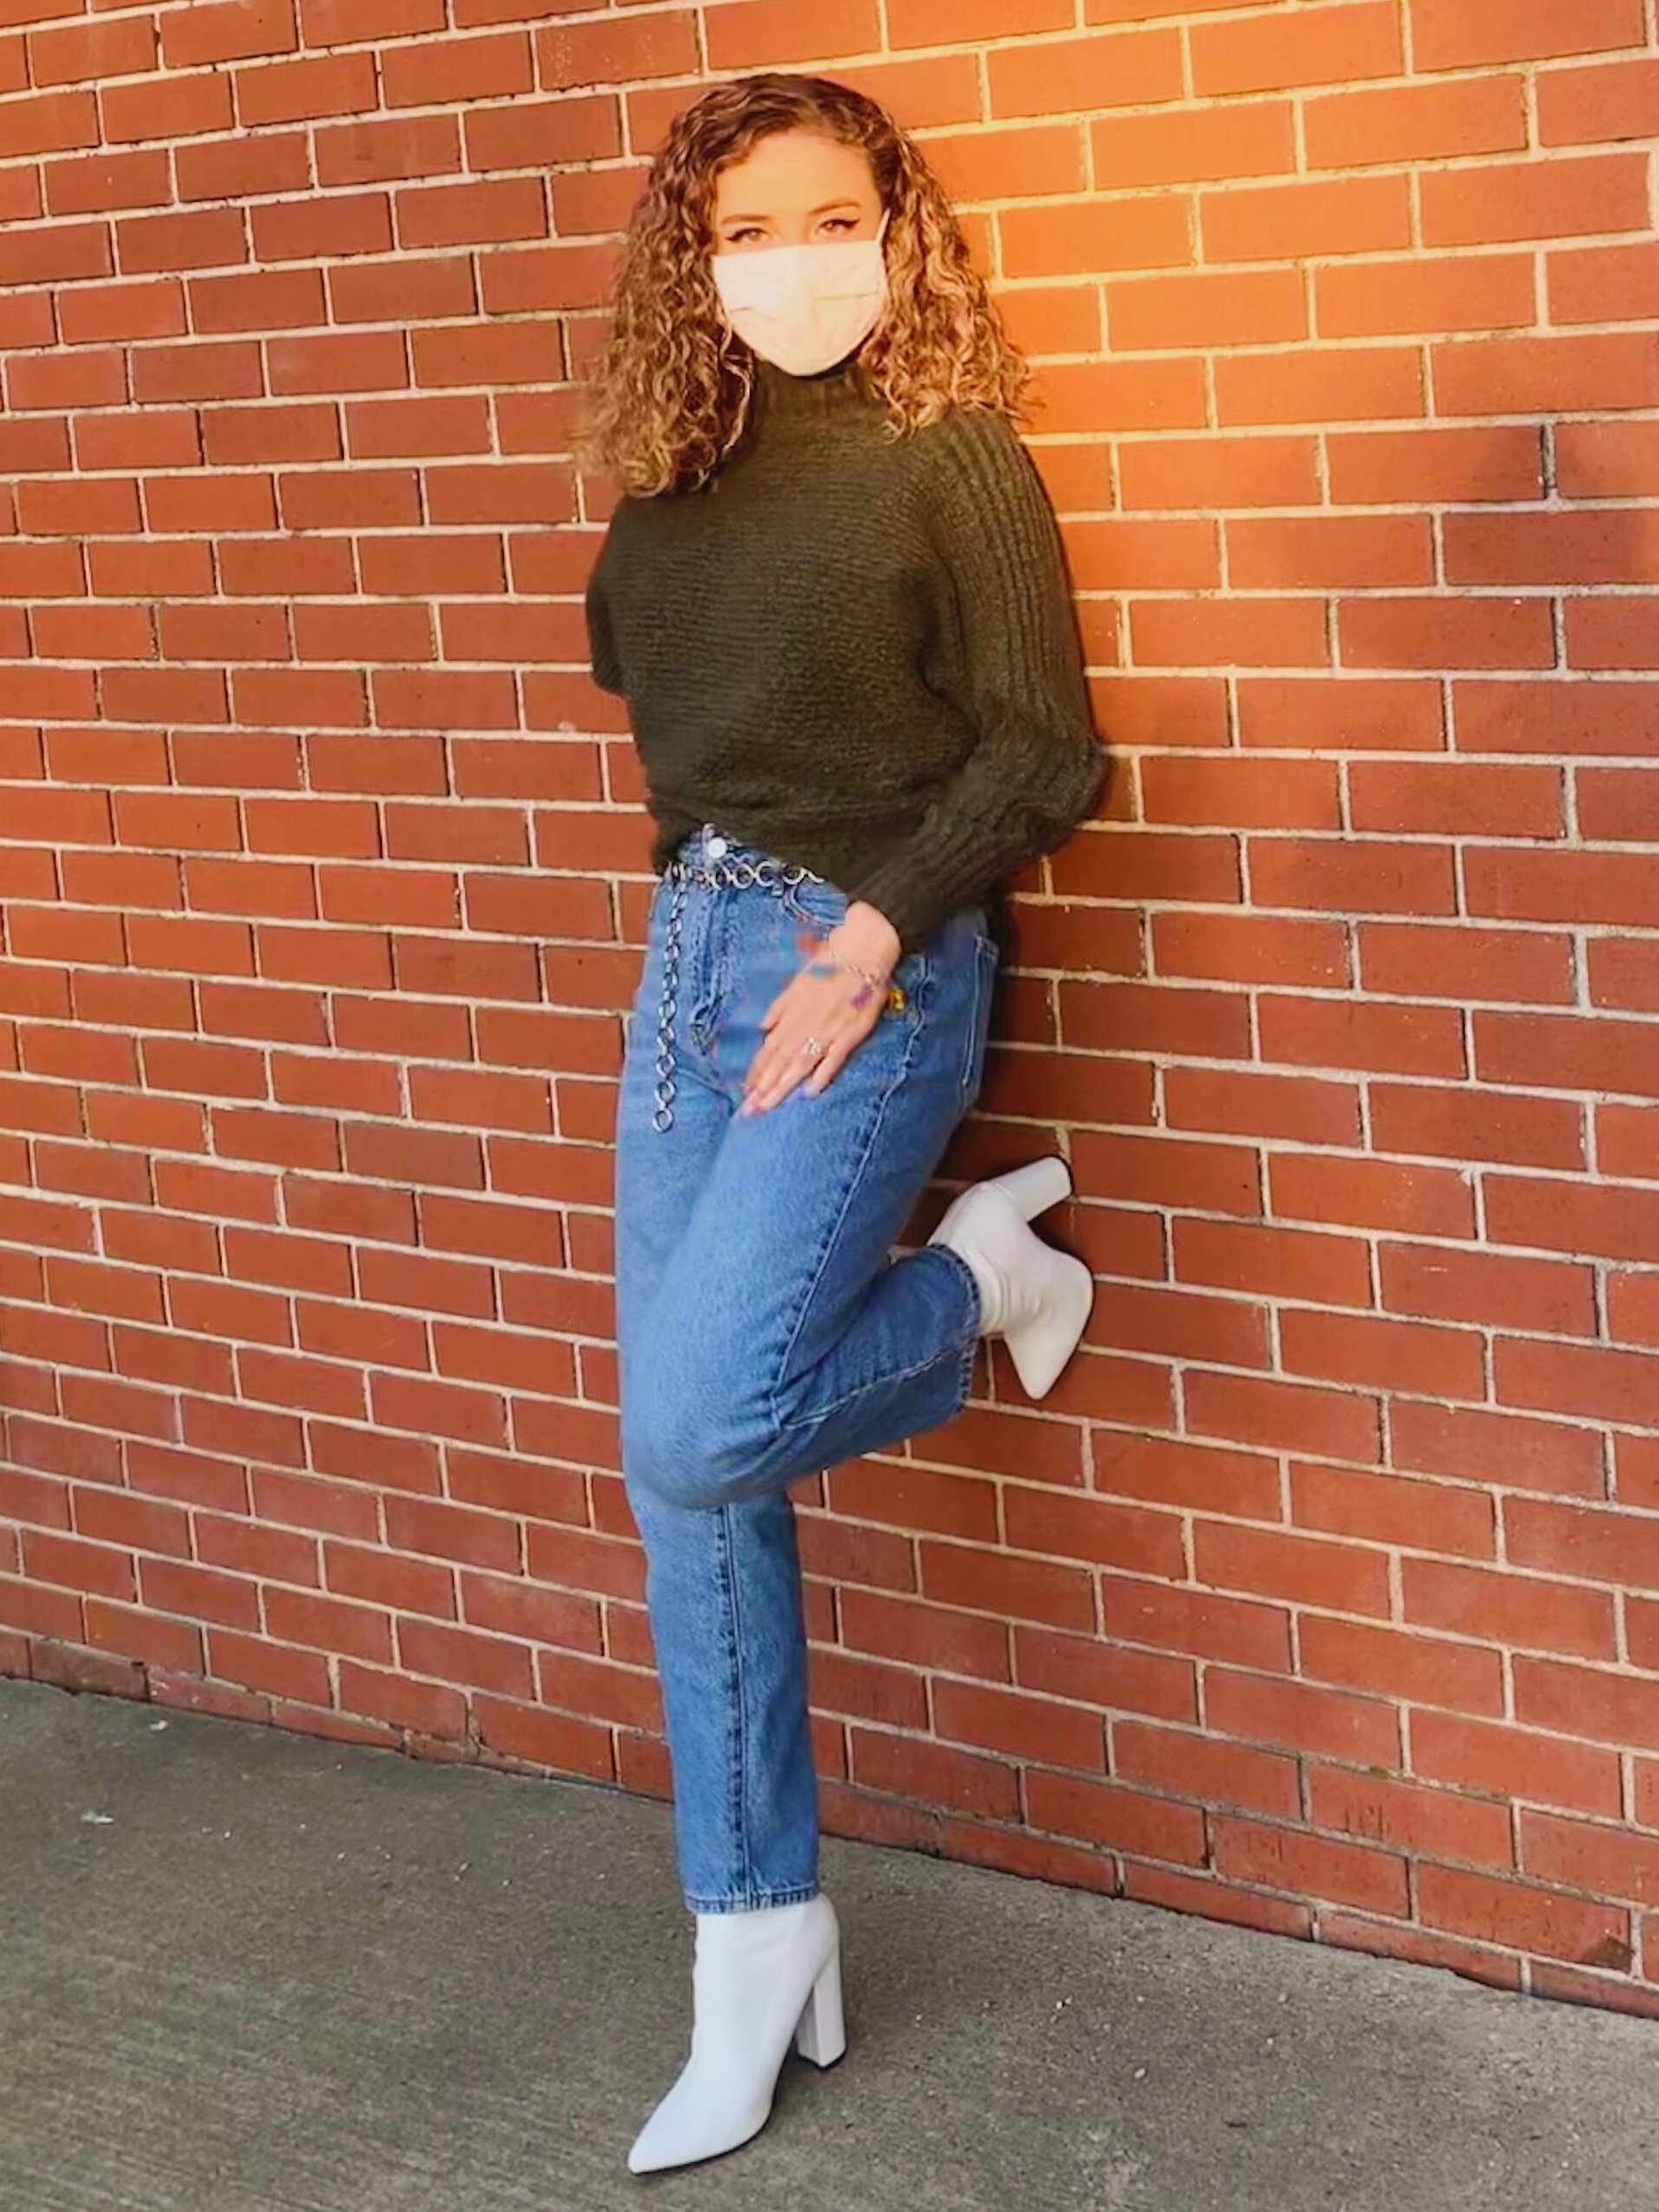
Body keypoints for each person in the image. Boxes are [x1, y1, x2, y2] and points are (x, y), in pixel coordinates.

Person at [579, 69, 1109, 2176]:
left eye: (825, 217)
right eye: (741, 232)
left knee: (699, 1418)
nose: (788, 262)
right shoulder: (667, 473)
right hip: (691, 963)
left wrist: (874, 926)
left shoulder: (948, 449)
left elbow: (1047, 751)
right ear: (686, 267)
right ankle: (757, 1935)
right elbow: (646, 677)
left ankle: (981, 1275)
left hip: (866, 971)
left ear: (892, 221)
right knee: (692, 1494)